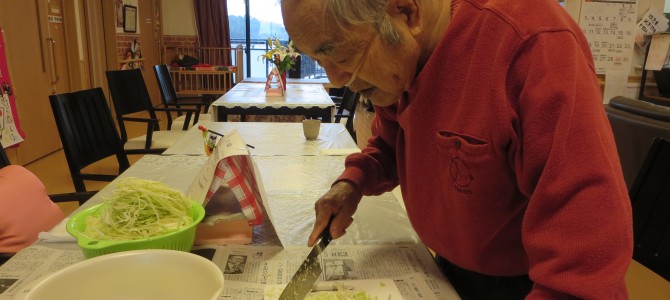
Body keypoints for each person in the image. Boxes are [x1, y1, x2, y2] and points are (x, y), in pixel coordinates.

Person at [281, 0, 633, 299]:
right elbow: (391, 143)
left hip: (527, 285)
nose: (335, 79)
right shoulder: (400, 63)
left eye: (340, 53)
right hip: (445, 270)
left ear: (406, 12)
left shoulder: (531, 43)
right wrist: (353, 183)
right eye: (317, 58)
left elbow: (586, 251)